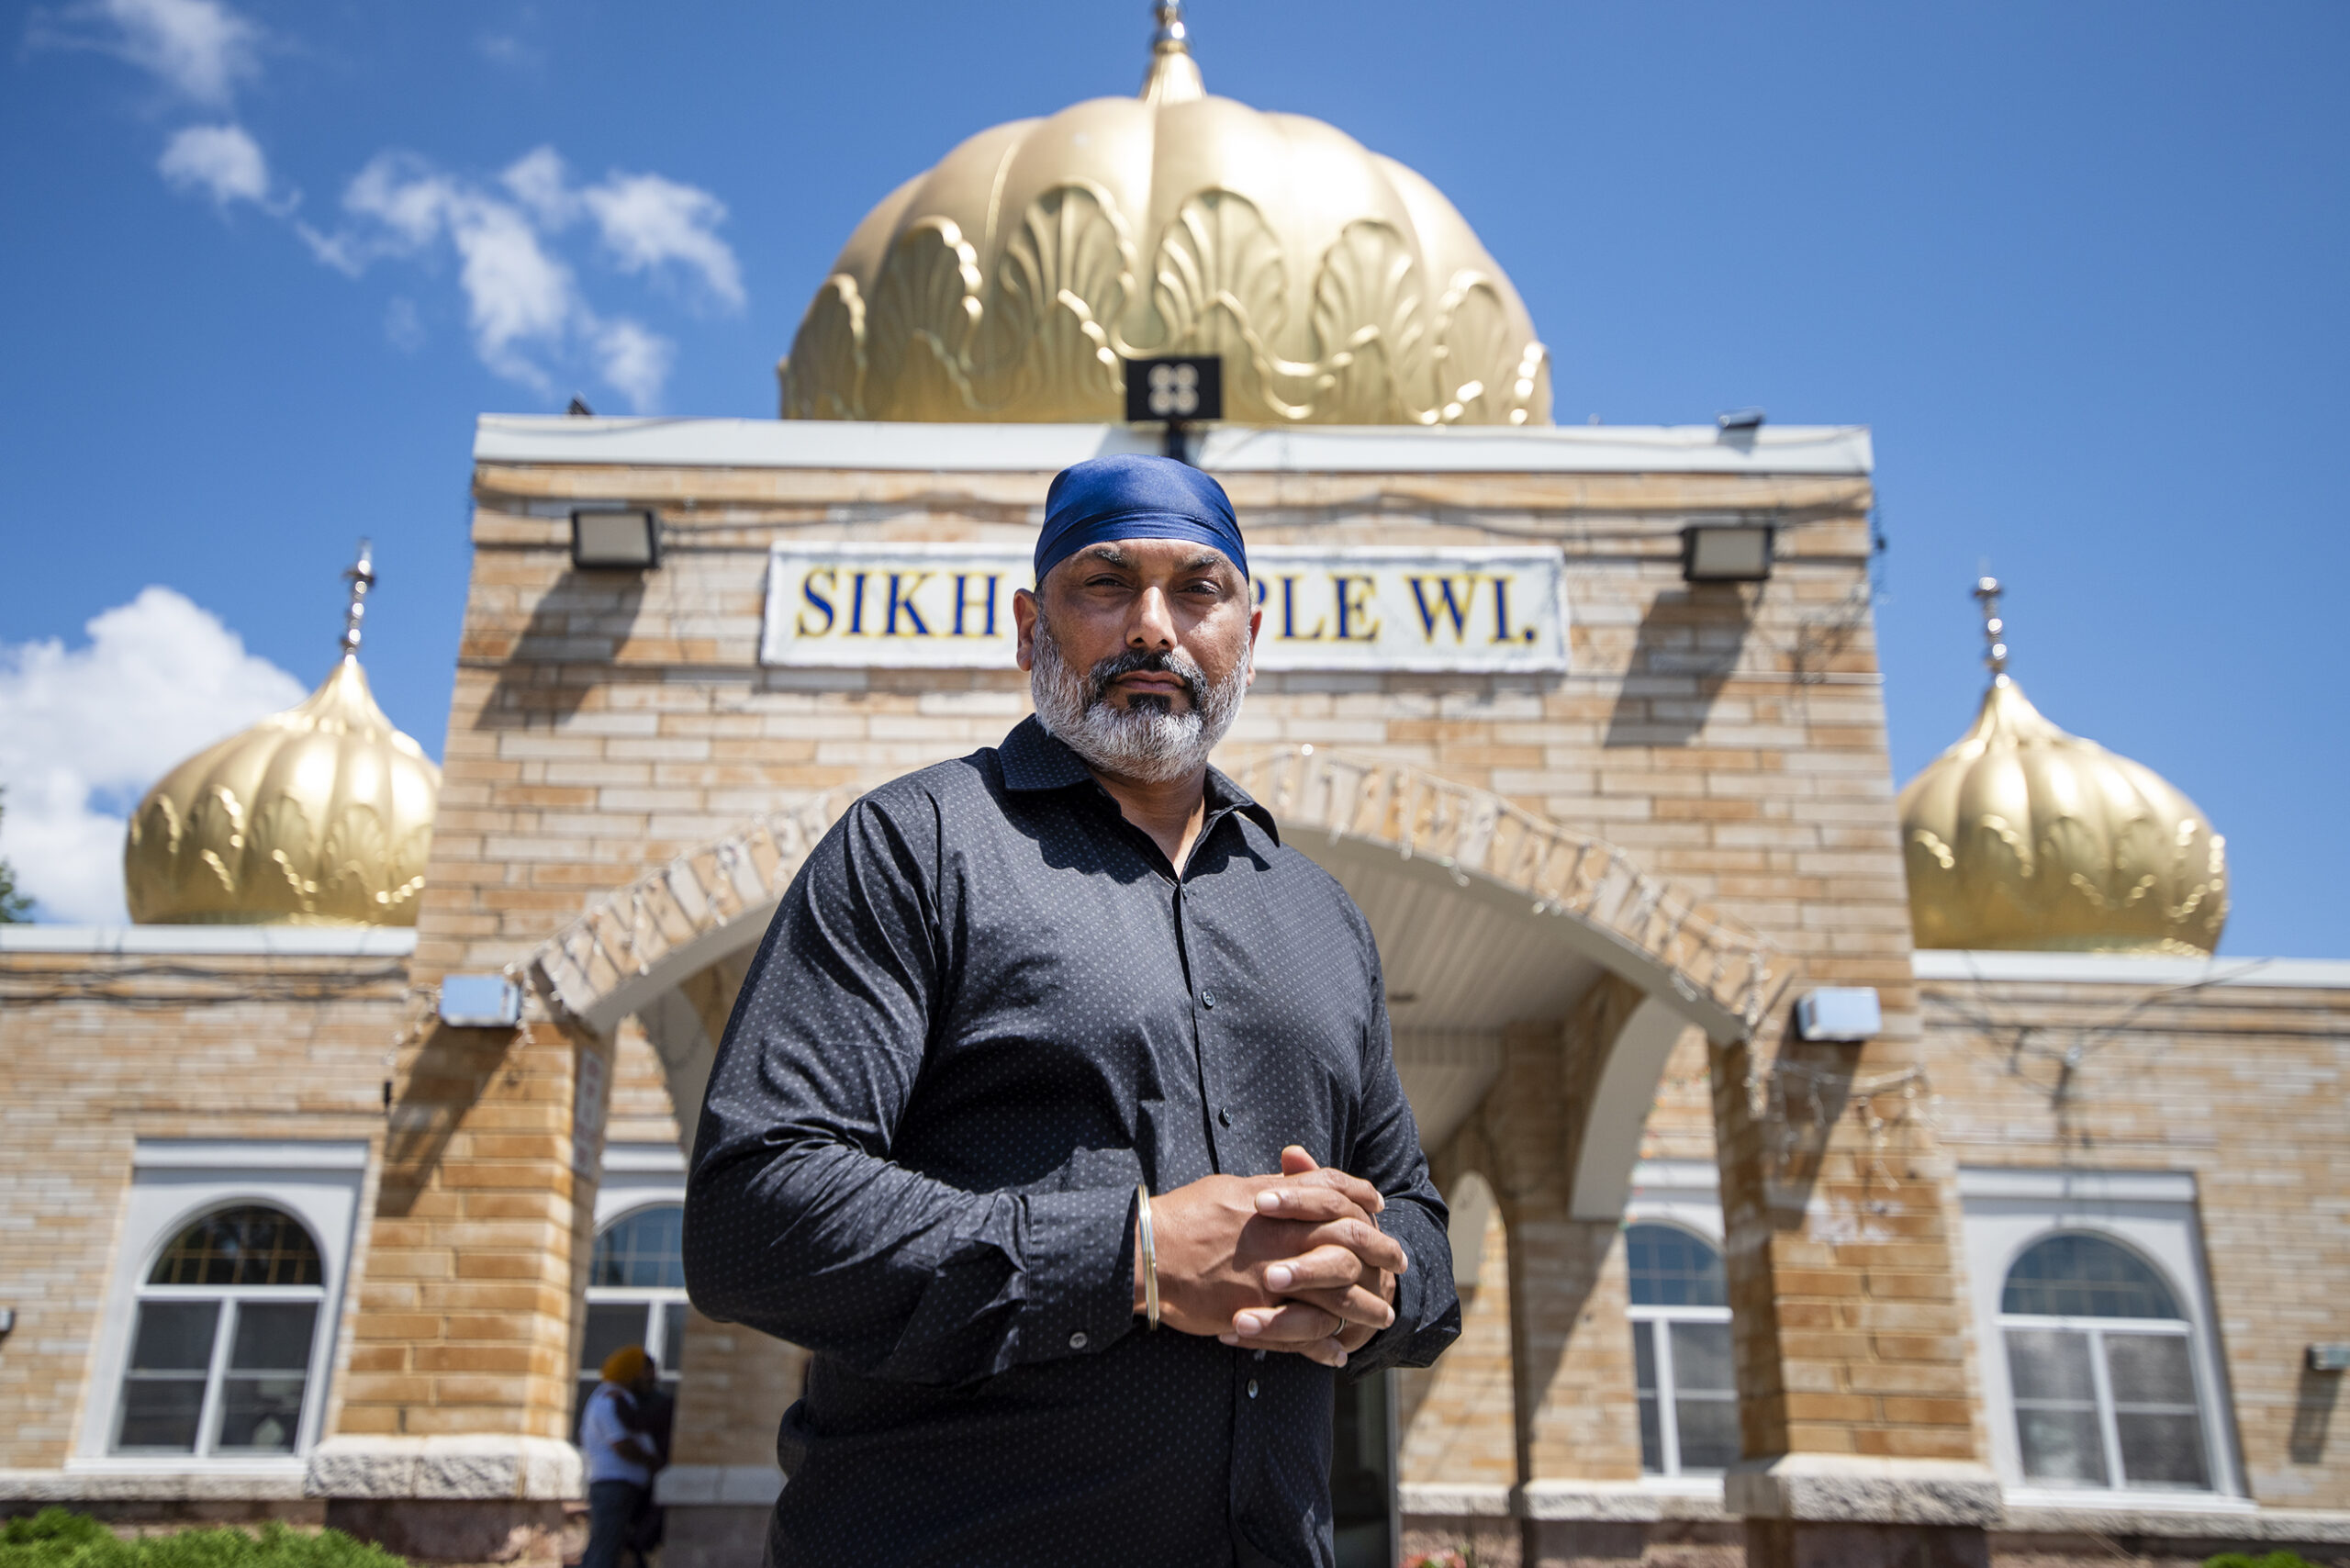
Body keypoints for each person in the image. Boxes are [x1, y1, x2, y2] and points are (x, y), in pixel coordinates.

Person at [685, 453, 1460, 1567]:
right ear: (1029, 627)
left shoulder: (1319, 916)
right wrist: (1132, 1255)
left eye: (1197, 589)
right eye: (1105, 584)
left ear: (1251, 626)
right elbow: (752, 1212)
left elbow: (1418, 1222)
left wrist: (1367, 1274)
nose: (1154, 627)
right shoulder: (920, 849)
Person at [577, 1346, 663, 1568]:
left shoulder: (624, 1398)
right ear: (632, 1371)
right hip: (613, 1486)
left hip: (622, 1486)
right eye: (647, 1371)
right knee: (605, 1548)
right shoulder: (609, 1399)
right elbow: (621, 1444)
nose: (652, 1378)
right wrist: (652, 1462)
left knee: (613, 1547)